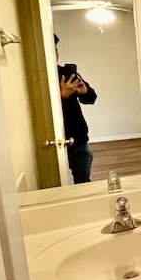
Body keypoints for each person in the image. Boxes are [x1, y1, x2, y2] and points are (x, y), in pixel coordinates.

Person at [55, 34, 97, 184]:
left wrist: (85, 92)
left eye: (56, 49)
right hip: (56, 140)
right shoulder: (39, 77)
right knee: (57, 182)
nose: (55, 53)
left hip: (78, 138)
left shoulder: (66, 74)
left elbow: (91, 98)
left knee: (83, 180)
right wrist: (61, 97)